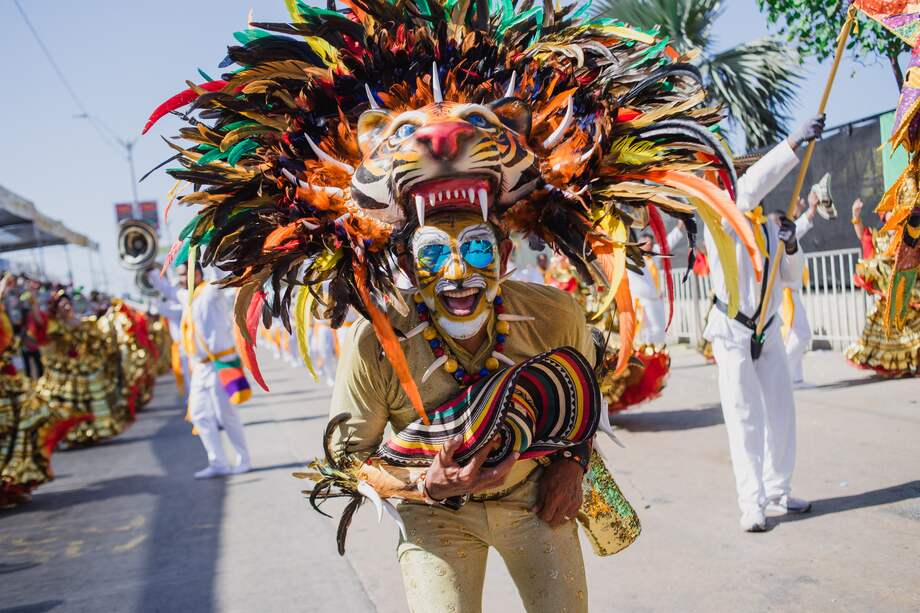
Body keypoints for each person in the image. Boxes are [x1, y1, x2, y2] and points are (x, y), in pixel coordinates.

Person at [147, 3, 755, 609]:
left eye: (477, 249)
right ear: (410, 264)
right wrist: (423, 483)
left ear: (506, 253)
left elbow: (579, 405)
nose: (459, 273)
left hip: (534, 502)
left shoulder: (556, 315)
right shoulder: (375, 346)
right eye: (434, 254)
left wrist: (571, 467)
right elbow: (344, 463)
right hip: (435, 518)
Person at [703, 116, 824, 531]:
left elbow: (791, 277)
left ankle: (778, 490)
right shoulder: (721, 215)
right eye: (743, 174)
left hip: (768, 329)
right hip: (732, 331)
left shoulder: (770, 226)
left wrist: (791, 244)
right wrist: (793, 143)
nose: (749, 180)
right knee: (744, 417)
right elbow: (749, 189)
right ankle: (751, 503)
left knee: (782, 412)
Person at [178, 263, 252, 479]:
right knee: (199, 415)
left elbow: (218, 274)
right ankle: (217, 462)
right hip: (200, 368)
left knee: (225, 414)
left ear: (196, 274)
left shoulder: (211, 291)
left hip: (220, 364)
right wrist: (150, 271)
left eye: (183, 275)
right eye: (179, 276)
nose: (180, 279)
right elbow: (163, 288)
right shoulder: (186, 298)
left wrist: (211, 248)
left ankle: (244, 459)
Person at [845, 199, 919, 377]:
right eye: (889, 213)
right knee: (890, 335)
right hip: (889, 295)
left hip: (910, 291)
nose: (892, 215)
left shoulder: (909, 233)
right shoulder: (879, 236)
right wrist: (856, 216)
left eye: (895, 212)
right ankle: (896, 367)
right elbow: (864, 236)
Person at [770, 192, 824, 387]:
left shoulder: (782, 238)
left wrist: (806, 210)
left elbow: (797, 227)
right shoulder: (775, 242)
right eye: (781, 222)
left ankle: (796, 379)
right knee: (801, 335)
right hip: (786, 296)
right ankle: (783, 374)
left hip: (789, 295)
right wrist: (809, 210)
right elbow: (797, 226)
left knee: (793, 337)